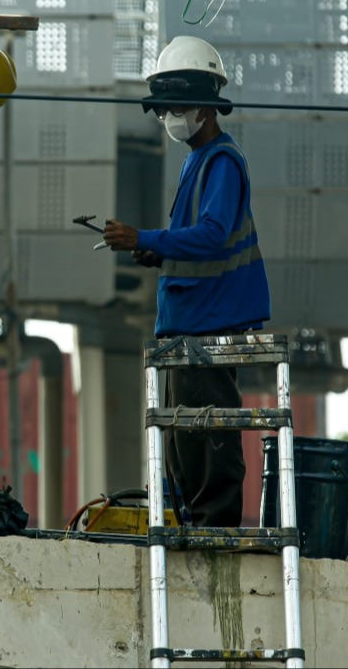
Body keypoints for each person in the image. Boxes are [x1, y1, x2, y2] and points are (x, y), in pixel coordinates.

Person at [101, 36, 270, 527]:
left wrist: (144, 236)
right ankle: (193, 523)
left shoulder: (222, 161)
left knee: (207, 437)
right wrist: (157, 251)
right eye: (163, 110)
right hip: (188, 325)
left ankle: (214, 528)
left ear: (205, 107)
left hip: (209, 326)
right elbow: (194, 243)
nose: (168, 117)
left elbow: (213, 235)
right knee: (182, 442)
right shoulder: (197, 160)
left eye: (175, 107)